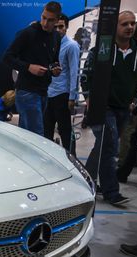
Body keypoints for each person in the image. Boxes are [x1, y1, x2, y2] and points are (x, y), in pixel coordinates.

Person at [81, 11, 137, 206]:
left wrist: (133, 99)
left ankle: (85, 181)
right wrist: (89, 97)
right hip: (103, 106)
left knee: (103, 147)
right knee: (111, 147)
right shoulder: (103, 49)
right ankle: (111, 191)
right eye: (125, 24)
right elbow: (87, 75)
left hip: (123, 107)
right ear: (115, 26)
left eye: (132, 23)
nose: (130, 27)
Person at [3, 1, 62, 136]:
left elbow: (53, 61)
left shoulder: (56, 37)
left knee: (27, 138)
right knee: (37, 137)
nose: (45, 23)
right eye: (44, 17)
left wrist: (55, 69)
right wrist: (28, 67)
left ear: (57, 20)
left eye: (50, 20)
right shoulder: (28, 33)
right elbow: (7, 57)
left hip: (43, 92)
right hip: (26, 92)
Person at [45, 14, 80, 153]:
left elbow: (74, 72)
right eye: (56, 27)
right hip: (48, 93)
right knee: (46, 131)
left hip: (63, 94)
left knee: (65, 131)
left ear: (67, 27)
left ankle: (73, 160)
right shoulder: (50, 43)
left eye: (61, 26)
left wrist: (72, 96)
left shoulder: (71, 45)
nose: (58, 29)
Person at [116, 18, 137, 183]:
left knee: (133, 139)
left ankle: (122, 172)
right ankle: (122, 171)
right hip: (136, 104)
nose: (129, 27)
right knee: (133, 139)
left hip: (135, 104)